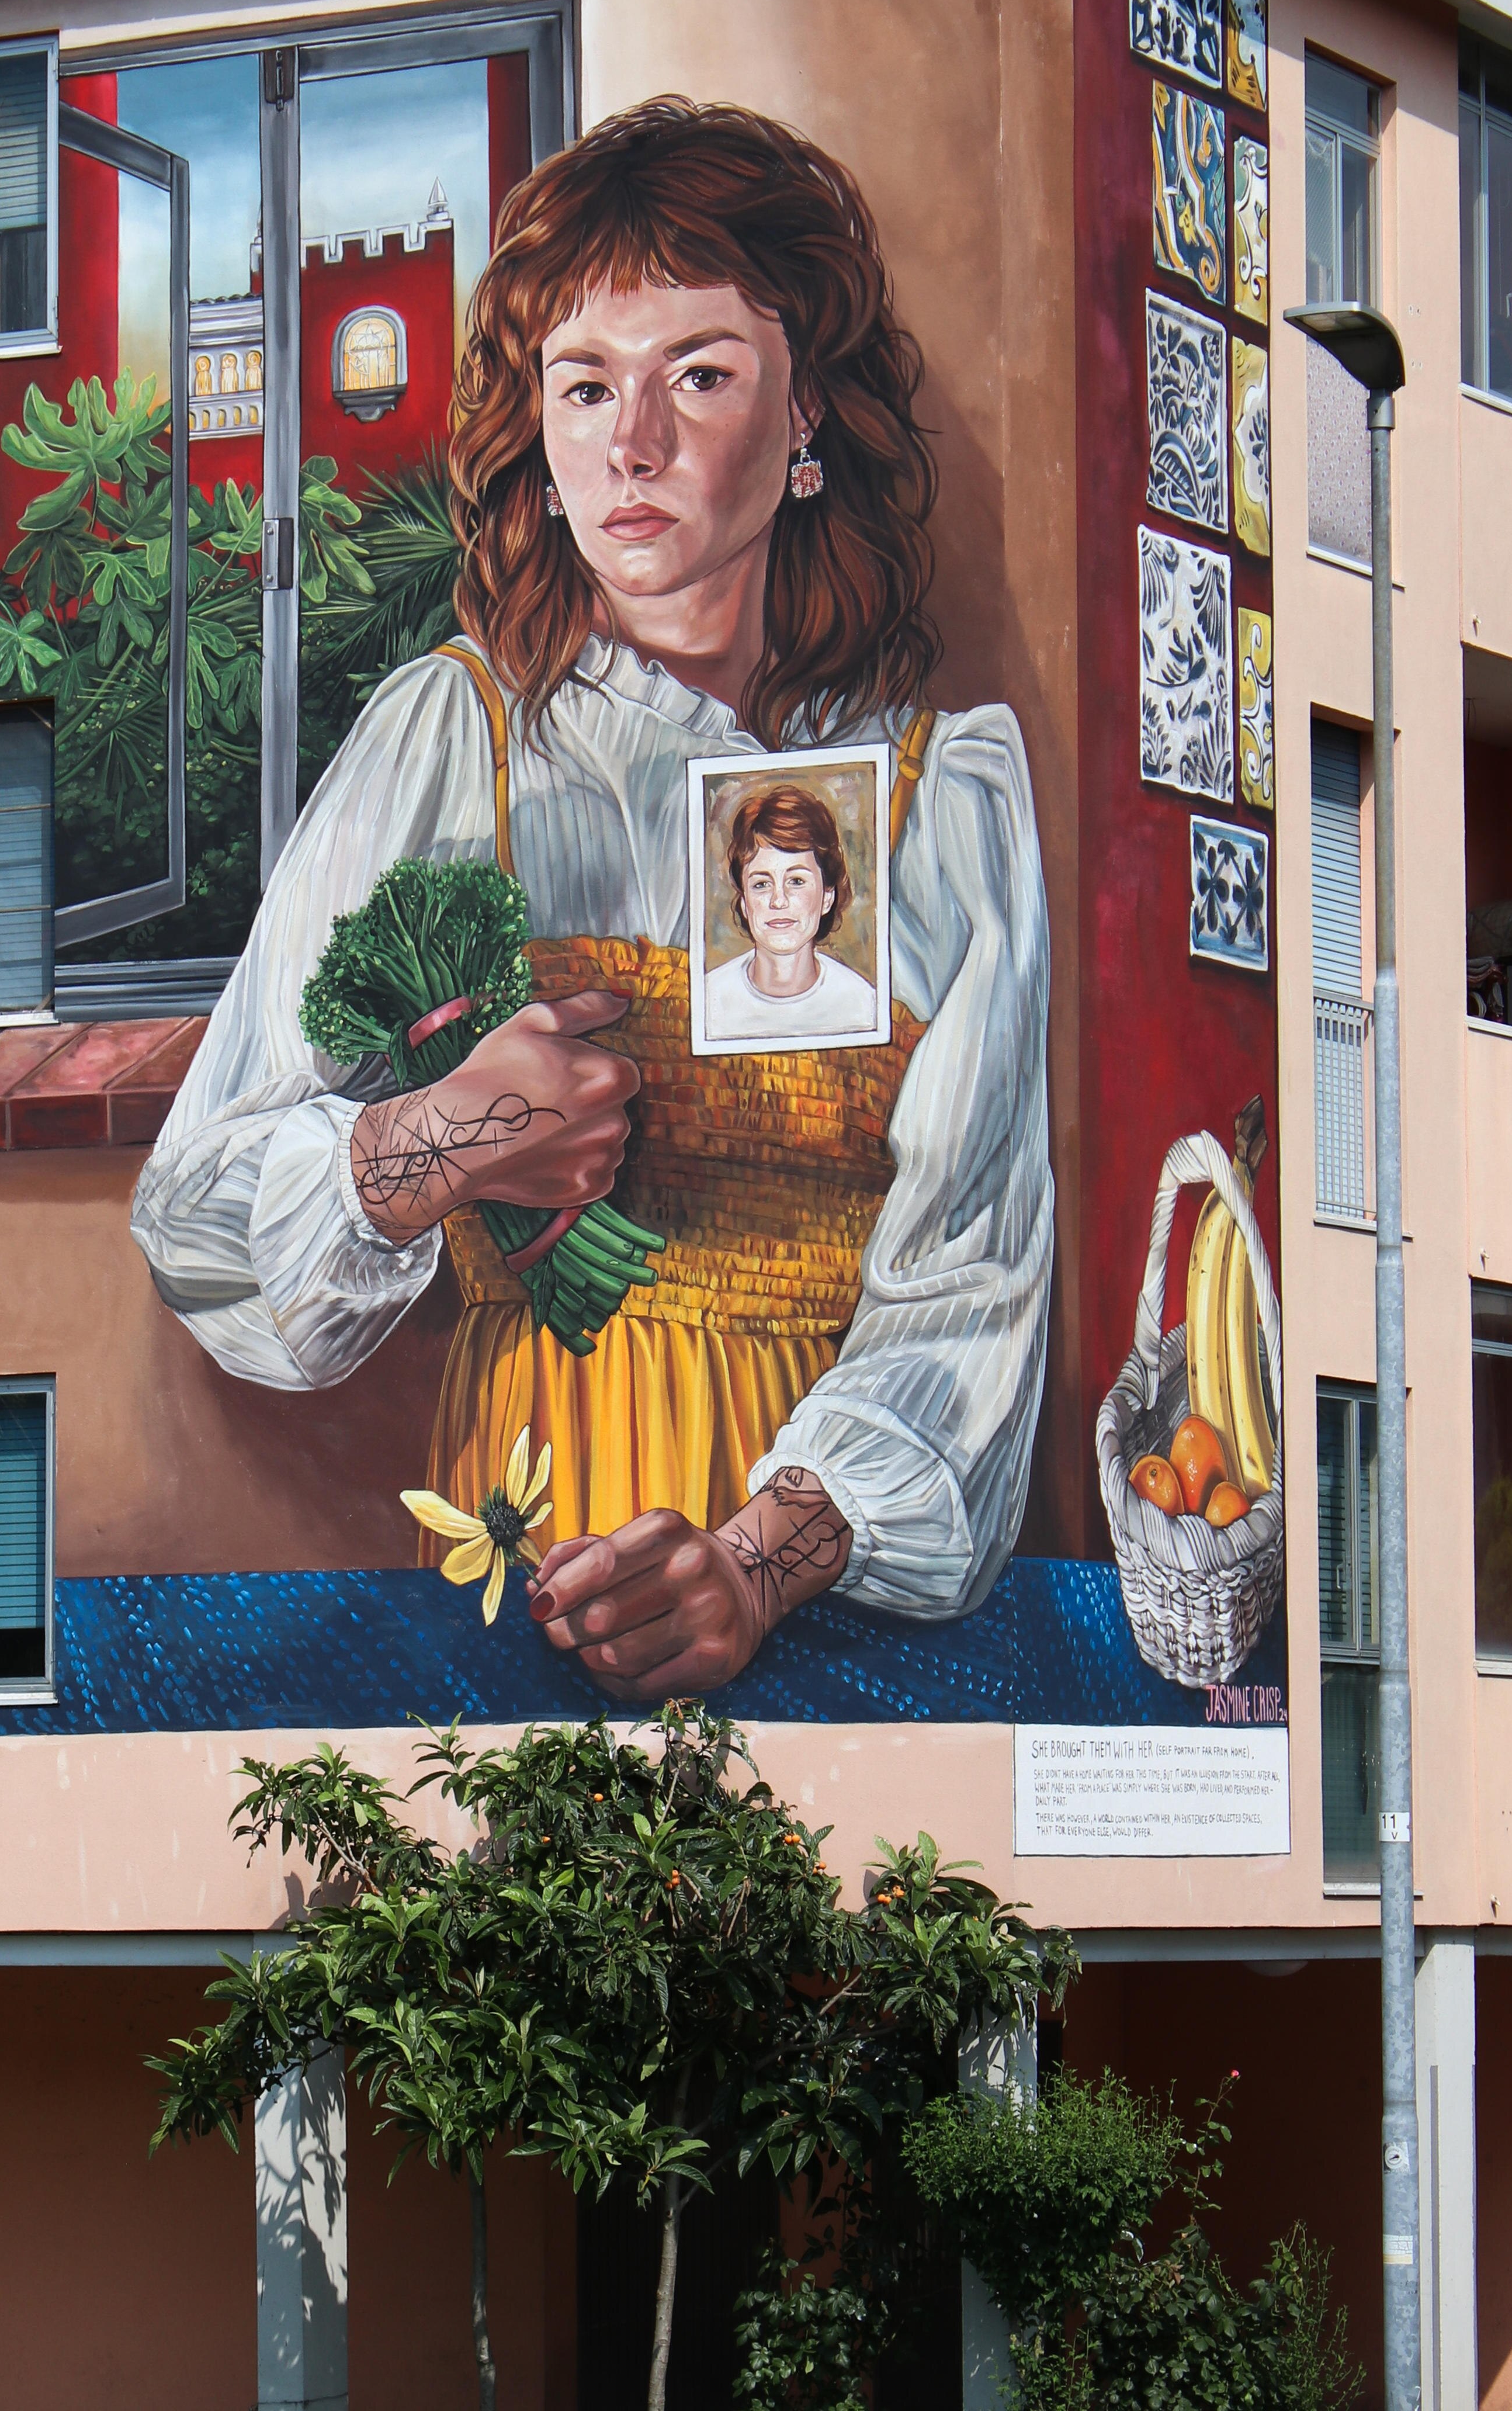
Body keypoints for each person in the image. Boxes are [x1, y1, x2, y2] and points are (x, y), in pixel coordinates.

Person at [131, 96, 1053, 1698]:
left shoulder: (940, 798)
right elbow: (200, 1212)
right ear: (537, 448)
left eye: (697, 375)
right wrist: (445, 1135)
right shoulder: (452, 743)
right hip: (531, 1558)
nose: (632, 442)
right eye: (584, 386)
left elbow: (972, 1282)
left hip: (814, 1602)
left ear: (808, 419)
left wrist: (756, 1565)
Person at [702, 779, 880, 1044]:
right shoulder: (708, 1000)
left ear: (827, 898)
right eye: (761, 884)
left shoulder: (862, 1005)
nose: (778, 901)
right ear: (744, 904)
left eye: (796, 881)